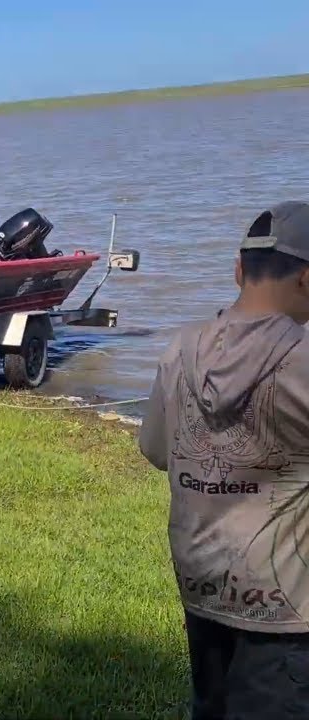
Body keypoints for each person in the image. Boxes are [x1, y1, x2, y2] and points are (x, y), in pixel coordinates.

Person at [139, 200, 309, 719]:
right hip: (285, 613)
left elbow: (154, 449)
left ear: (238, 270)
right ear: (306, 280)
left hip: (203, 590)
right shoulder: (302, 361)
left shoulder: (180, 350)